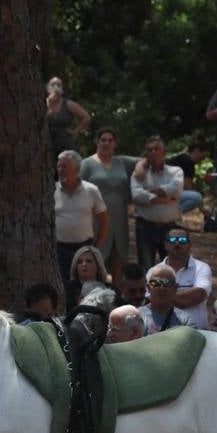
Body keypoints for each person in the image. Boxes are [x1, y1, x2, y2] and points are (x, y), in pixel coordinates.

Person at [81, 128, 141, 283]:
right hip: (95, 220)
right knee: (95, 260)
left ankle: (117, 297)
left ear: (115, 144)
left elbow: (145, 160)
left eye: (110, 140)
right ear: (97, 142)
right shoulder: (86, 164)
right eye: (103, 140)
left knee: (119, 260)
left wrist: (140, 168)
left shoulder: (122, 162)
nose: (106, 143)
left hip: (119, 219)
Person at [130, 136, 184, 271]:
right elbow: (137, 195)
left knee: (172, 266)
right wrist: (162, 199)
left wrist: (150, 192)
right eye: (149, 150)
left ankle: (172, 292)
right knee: (146, 266)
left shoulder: (175, 171)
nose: (153, 152)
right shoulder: (139, 174)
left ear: (164, 152)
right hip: (145, 227)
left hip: (170, 228)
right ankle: (148, 292)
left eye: (156, 149)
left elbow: (175, 189)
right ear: (146, 154)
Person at [160, 225, 211, 330]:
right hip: (164, 334)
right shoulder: (154, 271)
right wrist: (183, 298)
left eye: (182, 240)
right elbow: (152, 300)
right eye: (173, 240)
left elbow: (199, 295)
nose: (177, 244)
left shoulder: (202, 268)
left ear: (189, 245)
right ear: (166, 245)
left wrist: (162, 294)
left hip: (197, 333)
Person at [45, 76, 91, 159]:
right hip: (47, 146)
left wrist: (75, 131)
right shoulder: (41, 104)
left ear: (62, 89)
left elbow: (86, 118)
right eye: (53, 85)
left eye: (58, 85)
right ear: (48, 87)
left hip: (65, 145)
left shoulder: (68, 104)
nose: (56, 88)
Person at [137, 265, 193, 334]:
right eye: (156, 283)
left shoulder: (185, 320)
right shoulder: (137, 317)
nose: (162, 288)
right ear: (148, 288)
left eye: (167, 283)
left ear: (175, 288)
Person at [166, 140, 208, 214]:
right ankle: (169, 216)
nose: (202, 160)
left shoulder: (180, 159)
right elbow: (187, 186)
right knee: (197, 198)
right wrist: (202, 209)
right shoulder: (188, 162)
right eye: (202, 157)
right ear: (197, 151)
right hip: (165, 192)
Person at [65, 245, 110, 311]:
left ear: (98, 267)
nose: (84, 264)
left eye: (89, 261)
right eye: (80, 262)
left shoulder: (110, 289)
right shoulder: (67, 288)